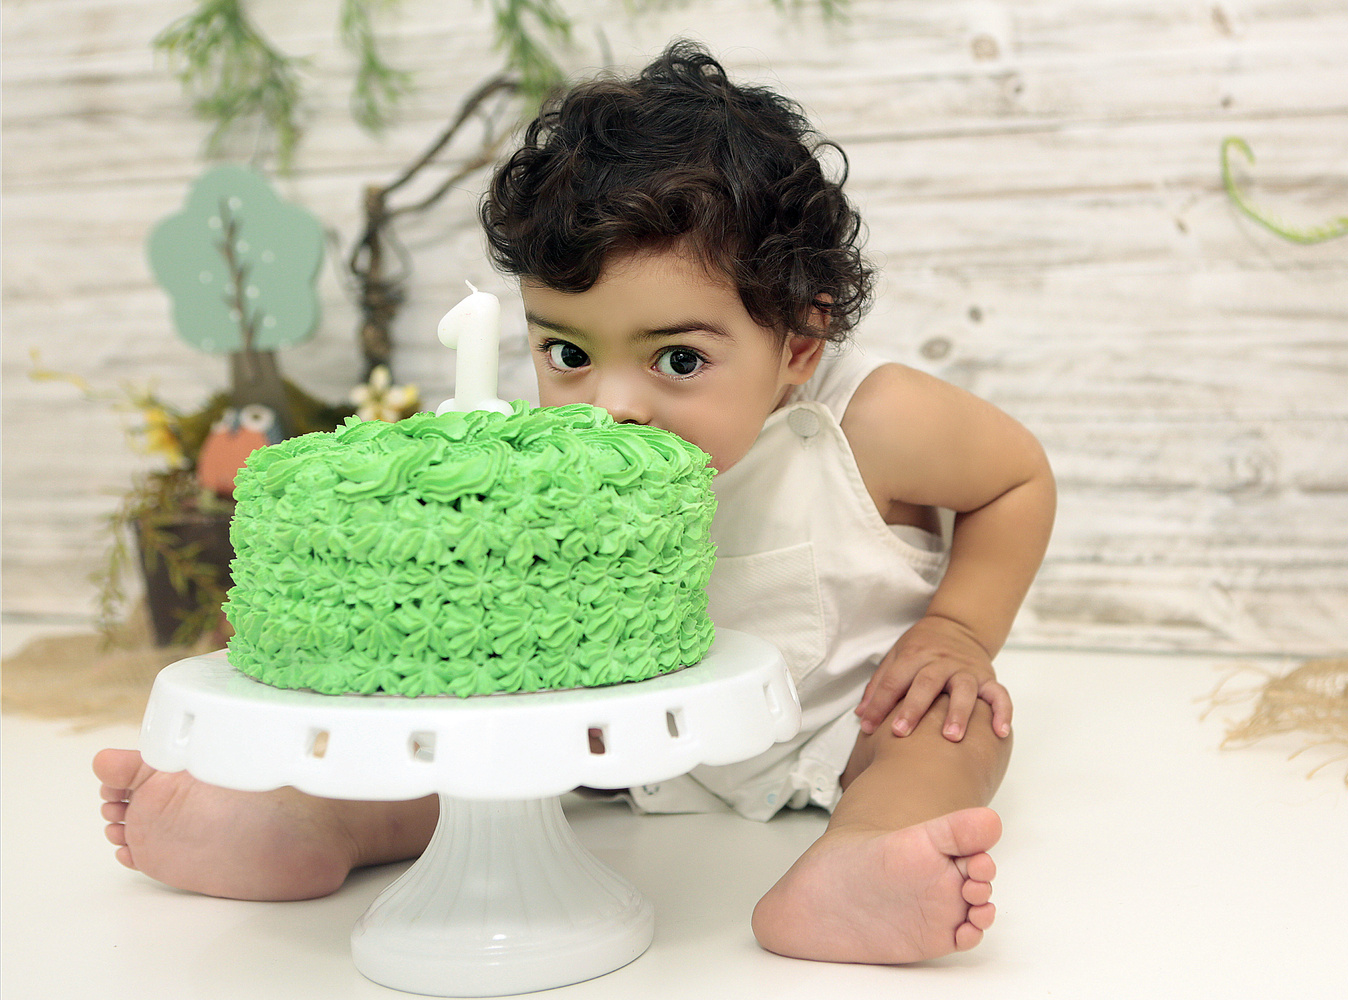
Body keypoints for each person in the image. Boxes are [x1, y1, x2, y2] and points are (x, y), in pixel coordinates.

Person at [95, 40, 1055, 965]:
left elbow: (1017, 480)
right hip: (611, 751)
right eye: (567, 352)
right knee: (479, 752)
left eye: (678, 359)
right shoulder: (549, 463)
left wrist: (959, 631)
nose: (611, 406)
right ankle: (307, 824)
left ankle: (861, 862)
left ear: (798, 345)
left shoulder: (873, 420)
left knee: (952, 731)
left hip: (841, 727)